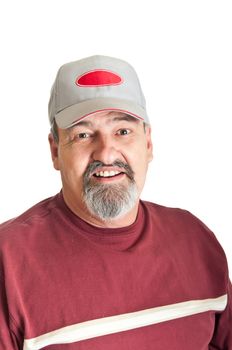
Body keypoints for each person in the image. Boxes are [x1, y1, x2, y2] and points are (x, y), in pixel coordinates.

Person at [0, 55, 231, 350]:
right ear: (55, 151)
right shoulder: (8, 262)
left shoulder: (195, 239)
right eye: (83, 135)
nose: (106, 154)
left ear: (148, 143)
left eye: (123, 132)